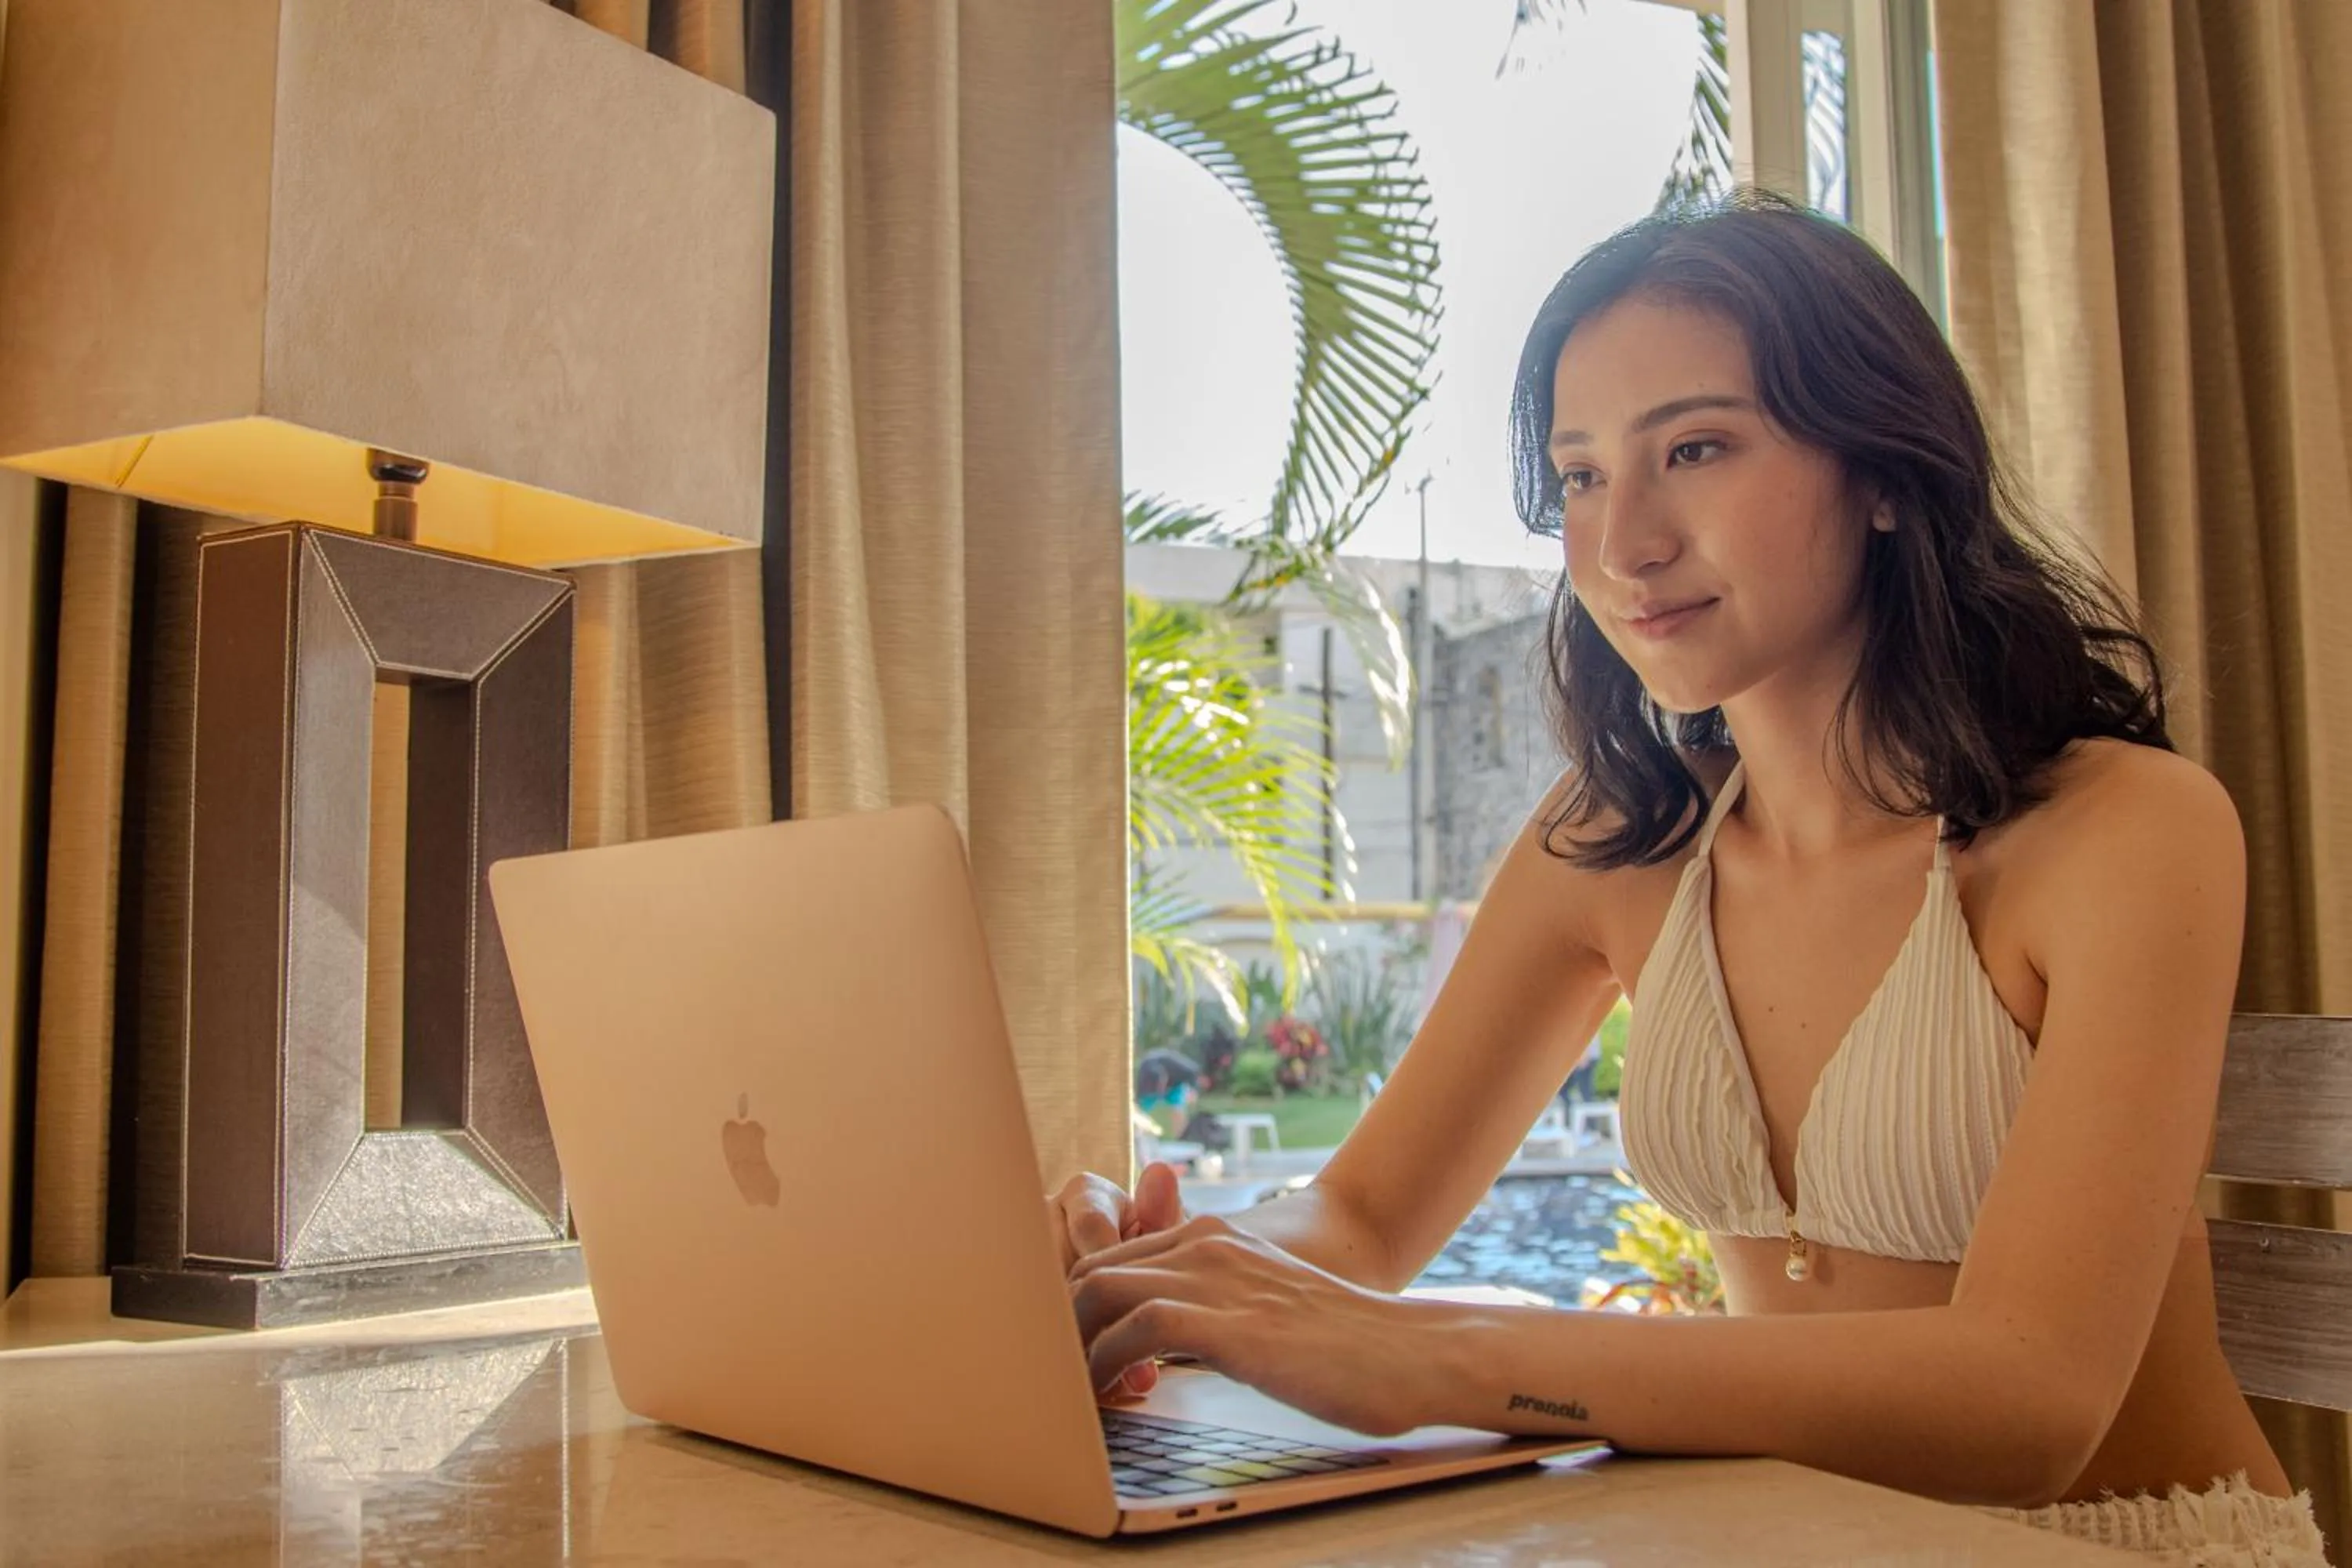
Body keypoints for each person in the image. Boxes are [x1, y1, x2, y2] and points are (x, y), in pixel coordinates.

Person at [1051, 191, 2329, 1566]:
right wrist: (1163, 1270)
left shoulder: (2122, 831)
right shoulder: (1618, 842)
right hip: (1796, 1542)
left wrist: (1431, 1359)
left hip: (2121, 1546)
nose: (1624, 544)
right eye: (1584, 476)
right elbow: (1359, 1216)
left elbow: (2030, 1399)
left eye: (1697, 450)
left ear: (1887, 474)